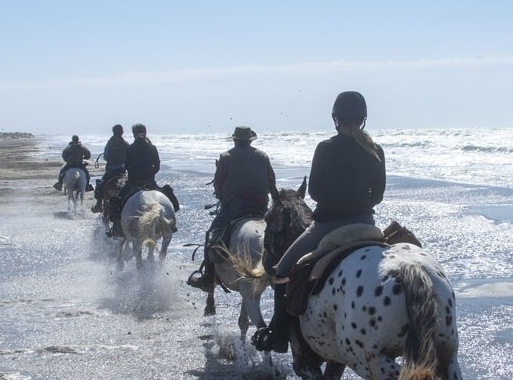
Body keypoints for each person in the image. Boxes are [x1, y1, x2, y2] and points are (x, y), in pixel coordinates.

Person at [252, 91, 384, 352]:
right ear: (363, 119)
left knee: (282, 269)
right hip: (367, 224)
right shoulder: (375, 149)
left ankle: (278, 334)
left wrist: (336, 202)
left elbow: (313, 192)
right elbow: (378, 195)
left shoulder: (325, 148)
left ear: (336, 119)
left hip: (328, 225)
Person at [188, 126, 276, 290]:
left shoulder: (226, 157)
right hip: (260, 208)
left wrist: (224, 199)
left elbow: (219, 183)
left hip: (234, 208)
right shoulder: (263, 156)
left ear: (235, 140)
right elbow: (272, 182)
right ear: (250, 140)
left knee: (211, 236)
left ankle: (208, 278)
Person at [107, 123, 180, 236]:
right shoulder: (152, 148)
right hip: (150, 182)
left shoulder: (130, 148)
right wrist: (149, 174)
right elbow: (157, 166)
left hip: (133, 182)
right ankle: (171, 224)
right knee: (171, 200)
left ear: (134, 134)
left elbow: (126, 165)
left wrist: (134, 173)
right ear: (145, 132)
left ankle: (116, 228)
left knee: (117, 201)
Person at [93, 124, 129, 211]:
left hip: (110, 171)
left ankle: (98, 205)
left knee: (100, 185)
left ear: (113, 132)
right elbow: (129, 157)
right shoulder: (126, 144)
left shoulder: (109, 144)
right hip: (121, 171)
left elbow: (106, 157)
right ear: (122, 132)